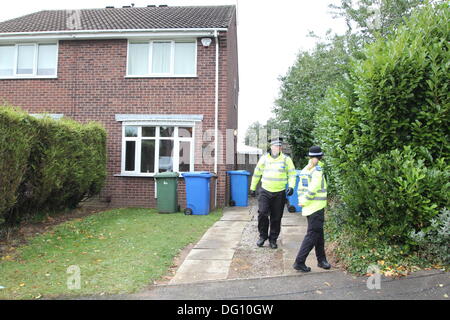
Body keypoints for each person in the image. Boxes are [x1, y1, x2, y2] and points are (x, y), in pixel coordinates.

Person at [249, 137, 296, 249]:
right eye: (275, 146)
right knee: (262, 213)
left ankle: (273, 239)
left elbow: (292, 174)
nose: (277, 148)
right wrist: (252, 187)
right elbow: (256, 173)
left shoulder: (286, 159)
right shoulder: (264, 159)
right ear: (271, 147)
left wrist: (291, 186)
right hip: (265, 191)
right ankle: (262, 236)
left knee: (276, 217)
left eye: (279, 146)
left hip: (279, 193)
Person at [293, 145, 331, 272]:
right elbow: (313, 188)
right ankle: (299, 262)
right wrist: (304, 200)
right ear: (320, 157)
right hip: (316, 207)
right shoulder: (317, 170)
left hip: (309, 207)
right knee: (312, 235)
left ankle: (321, 260)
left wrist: (301, 201)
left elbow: (300, 188)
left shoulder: (305, 169)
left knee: (319, 234)